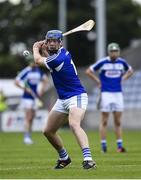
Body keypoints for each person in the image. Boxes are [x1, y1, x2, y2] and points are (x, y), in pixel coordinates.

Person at [32, 30, 96, 169]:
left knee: (74, 124)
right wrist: (44, 51)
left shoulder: (60, 57)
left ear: (60, 42)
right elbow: (49, 63)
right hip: (62, 99)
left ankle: (88, 159)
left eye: (55, 41)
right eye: (50, 41)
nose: (52, 43)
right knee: (48, 131)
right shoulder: (55, 57)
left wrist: (36, 48)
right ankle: (64, 157)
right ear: (47, 42)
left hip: (76, 96)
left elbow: (38, 61)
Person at [85, 42, 133, 153]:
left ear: (119, 52)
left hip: (118, 94)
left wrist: (123, 79)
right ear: (109, 52)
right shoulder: (103, 62)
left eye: (116, 51)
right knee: (105, 121)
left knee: (118, 121)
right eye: (112, 51)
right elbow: (89, 71)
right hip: (106, 93)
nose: (114, 53)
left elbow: (130, 71)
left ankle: (119, 146)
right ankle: (103, 146)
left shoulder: (122, 63)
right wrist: (98, 81)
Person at [15, 61, 48, 145]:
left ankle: (28, 136)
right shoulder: (26, 71)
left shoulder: (38, 71)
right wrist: (25, 89)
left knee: (32, 118)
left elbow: (45, 80)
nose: (34, 64)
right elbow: (16, 82)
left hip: (35, 97)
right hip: (27, 97)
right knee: (28, 117)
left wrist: (41, 90)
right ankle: (26, 137)